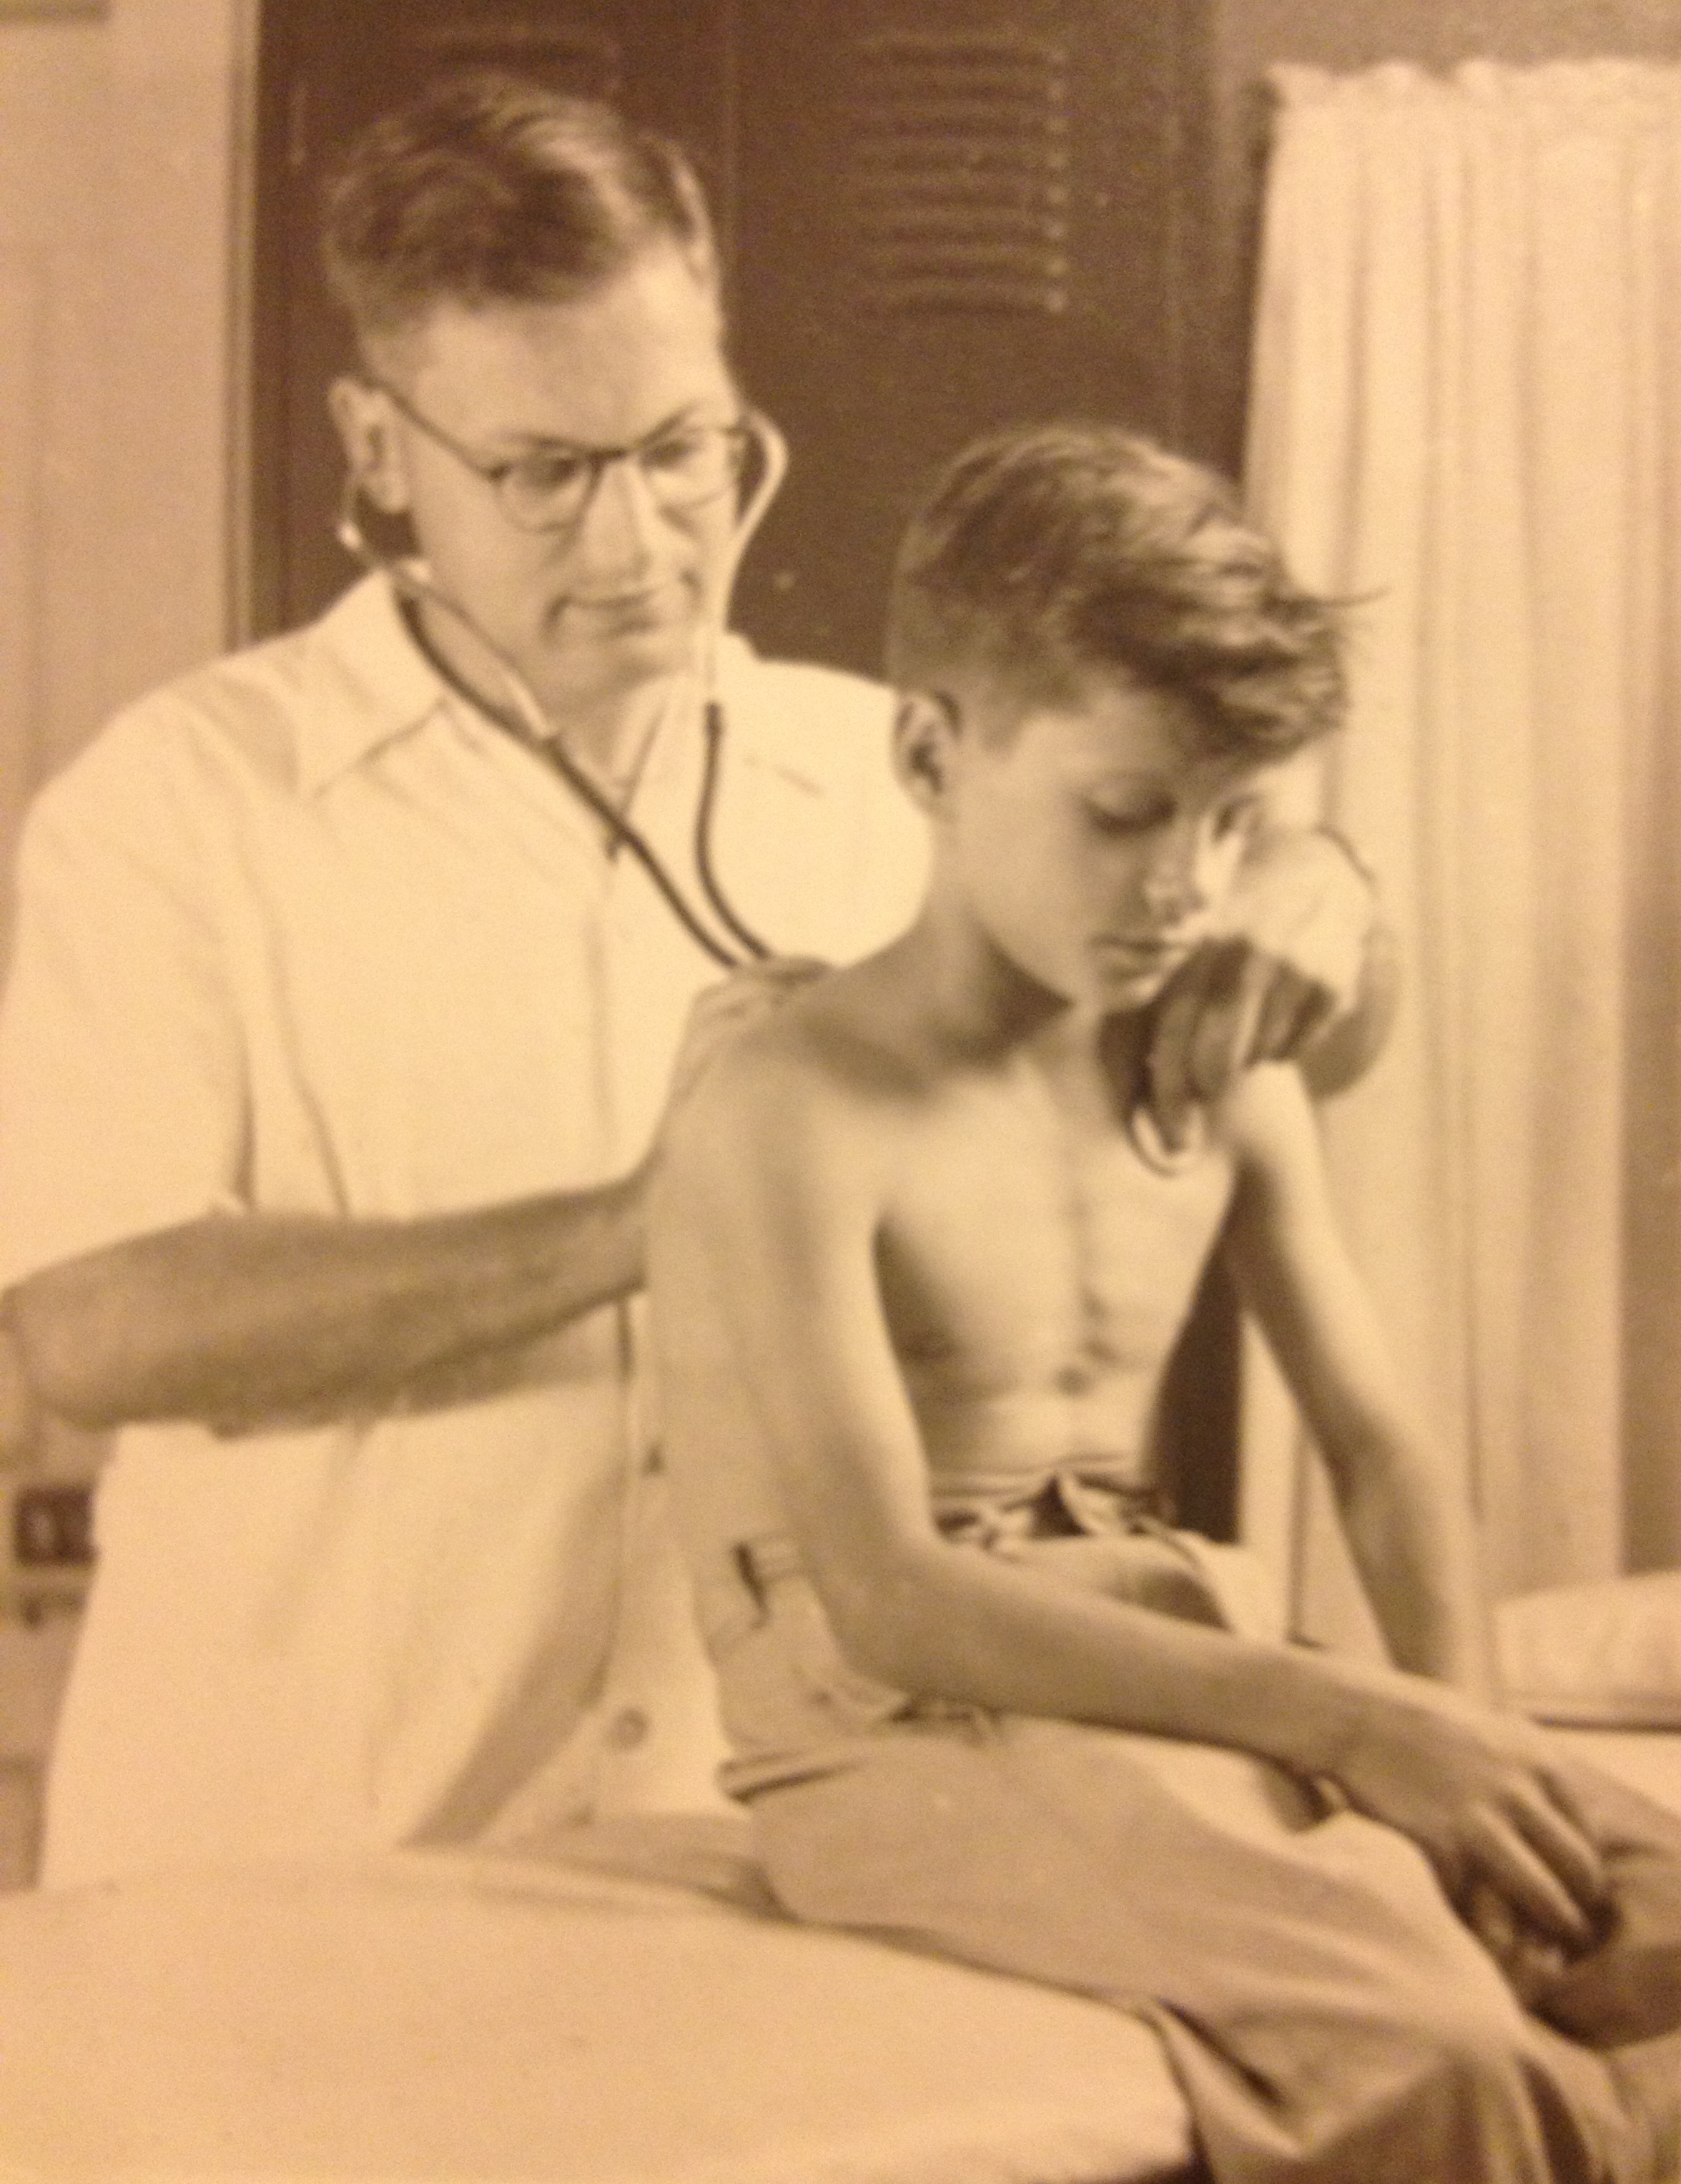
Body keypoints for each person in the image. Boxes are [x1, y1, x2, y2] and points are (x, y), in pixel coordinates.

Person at [0, 72, 1391, 1889]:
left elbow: (1276, 1049)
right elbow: (100, 1325)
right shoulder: (180, 801)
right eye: (544, 476)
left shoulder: (895, 772)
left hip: (761, 1855)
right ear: (376, 447)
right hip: (308, 1844)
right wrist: (660, 1217)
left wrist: (1324, 894)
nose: (640, 542)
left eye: (683, 450)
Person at [649, 423, 1681, 2184]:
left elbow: (1379, 1447)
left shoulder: (1212, 1071)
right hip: (892, 1732)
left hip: (1172, 1649)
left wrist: (1472, 1743)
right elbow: (892, 1603)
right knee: (1429, 2040)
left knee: (1645, 1939)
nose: (1189, 885)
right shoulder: (789, 1101)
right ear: (930, 752)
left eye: (1234, 823)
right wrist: (1362, 1725)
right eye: (1127, 815)